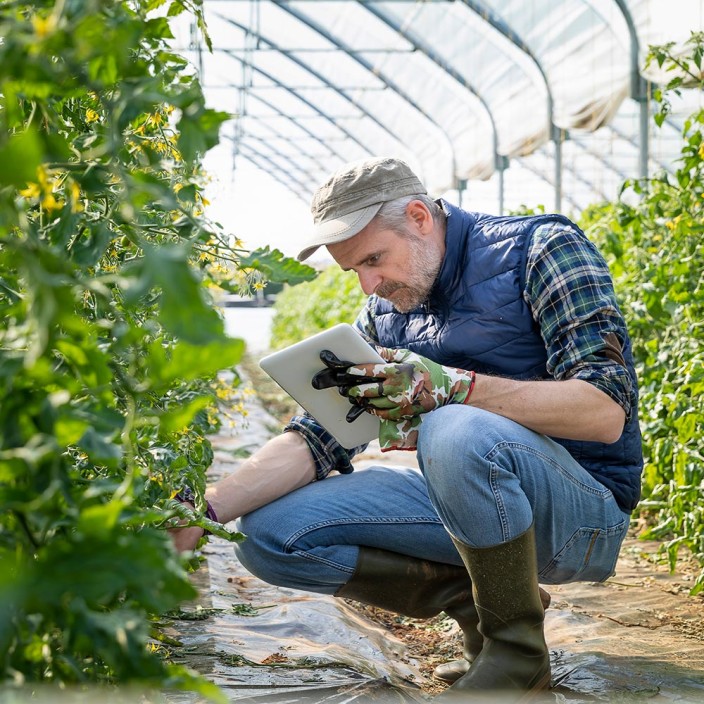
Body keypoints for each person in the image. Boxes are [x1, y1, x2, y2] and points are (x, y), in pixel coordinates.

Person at [173, 156, 643, 701]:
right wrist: (204, 515)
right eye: (354, 271)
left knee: (454, 428)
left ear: (419, 217)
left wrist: (454, 386)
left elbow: (606, 412)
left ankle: (519, 658)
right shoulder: (384, 313)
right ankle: (484, 607)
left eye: (375, 259)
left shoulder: (540, 251)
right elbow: (318, 438)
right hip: (476, 500)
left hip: (582, 511)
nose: (370, 283)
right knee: (267, 535)